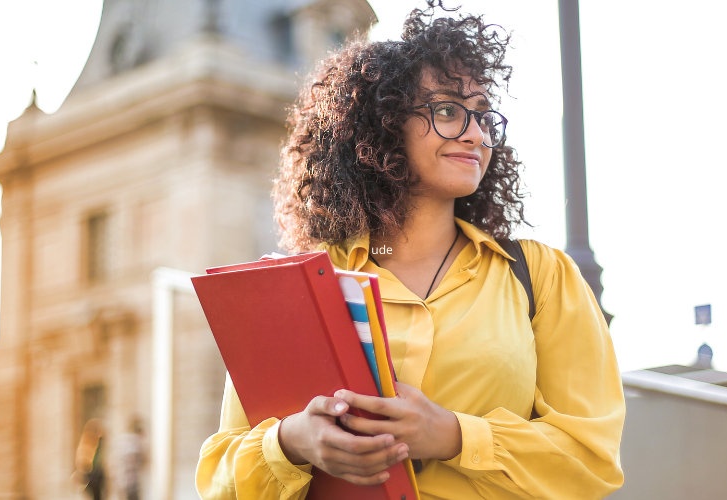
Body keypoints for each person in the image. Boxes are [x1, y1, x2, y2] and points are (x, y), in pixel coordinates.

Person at [196, 2, 624, 499]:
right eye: (447, 110)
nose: (475, 134)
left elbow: (591, 460)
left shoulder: (541, 276)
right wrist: (290, 442)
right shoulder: (297, 287)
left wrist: (453, 435)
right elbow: (219, 480)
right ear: (383, 124)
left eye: (485, 117)